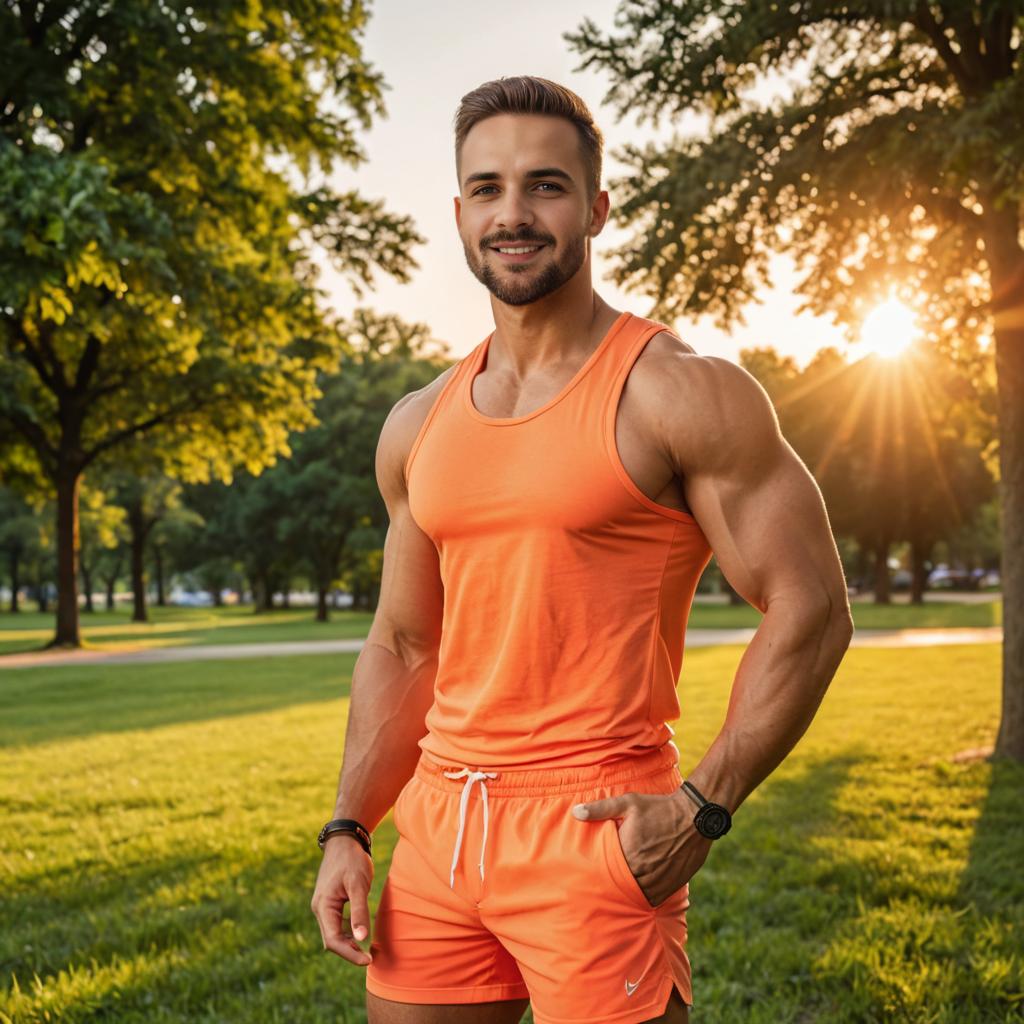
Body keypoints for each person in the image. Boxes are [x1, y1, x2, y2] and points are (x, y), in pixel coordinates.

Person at [310, 75, 854, 1024]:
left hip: (596, 822)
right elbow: (402, 646)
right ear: (458, 211)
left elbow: (811, 607)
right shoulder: (415, 423)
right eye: (487, 189)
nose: (513, 214)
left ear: (598, 206)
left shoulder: (680, 393)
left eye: (545, 186)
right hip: (439, 830)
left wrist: (704, 806)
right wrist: (350, 825)